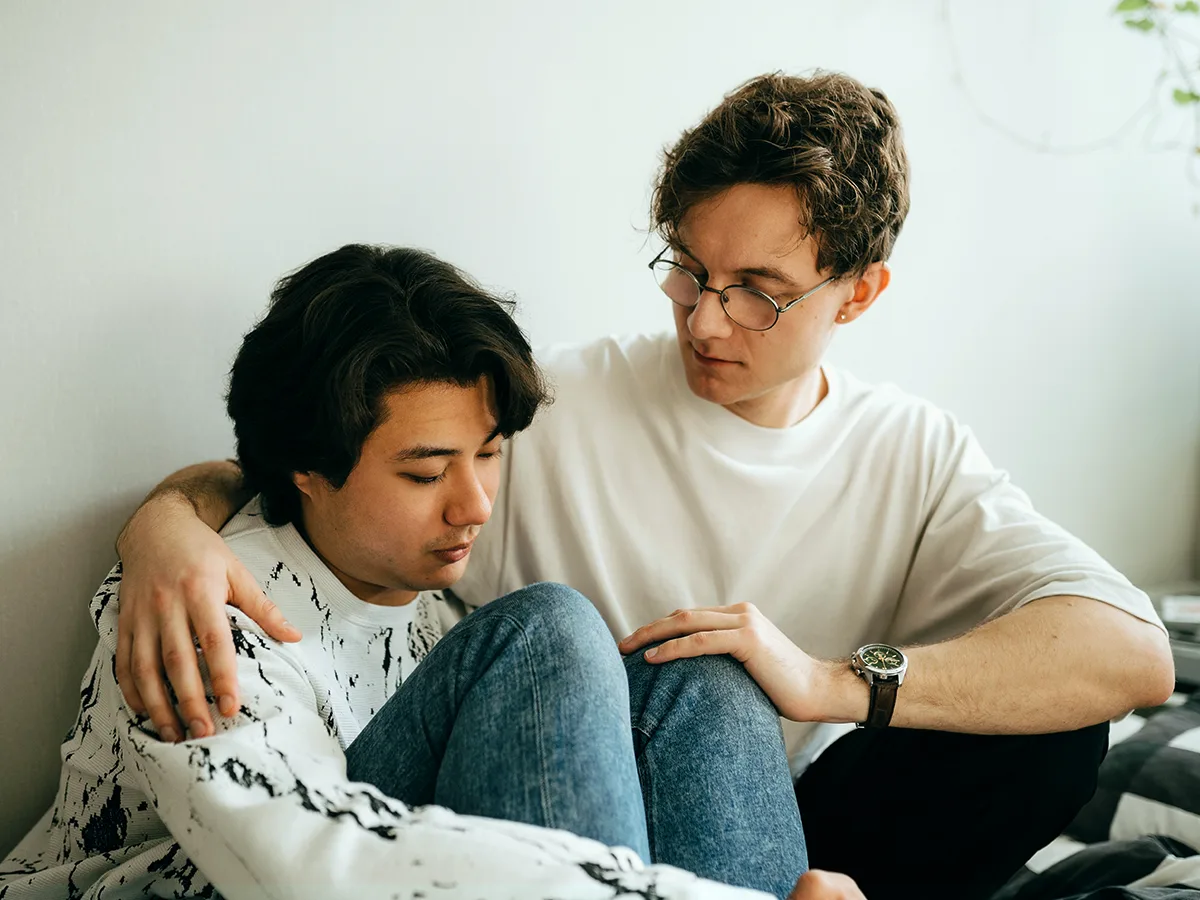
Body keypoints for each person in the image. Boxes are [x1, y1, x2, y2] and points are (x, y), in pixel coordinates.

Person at [107, 72, 1174, 900]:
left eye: (757, 292)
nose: (705, 319)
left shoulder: (914, 450)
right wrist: (165, 521)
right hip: (558, 796)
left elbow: (1132, 654)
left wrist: (826, 682)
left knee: (1008, 719)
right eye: (689, 270)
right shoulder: (547, 404)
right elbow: (319, 457)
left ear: (858, 295)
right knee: (593, 634)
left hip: (753, 803)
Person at [0, 245, 836, 899]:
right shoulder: (201, 605)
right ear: (305, 467)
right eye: (427, 473)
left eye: (490, 454)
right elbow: (307, 864)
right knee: (549, 626)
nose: (474, 504)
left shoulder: (434, 616)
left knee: (704, 670)